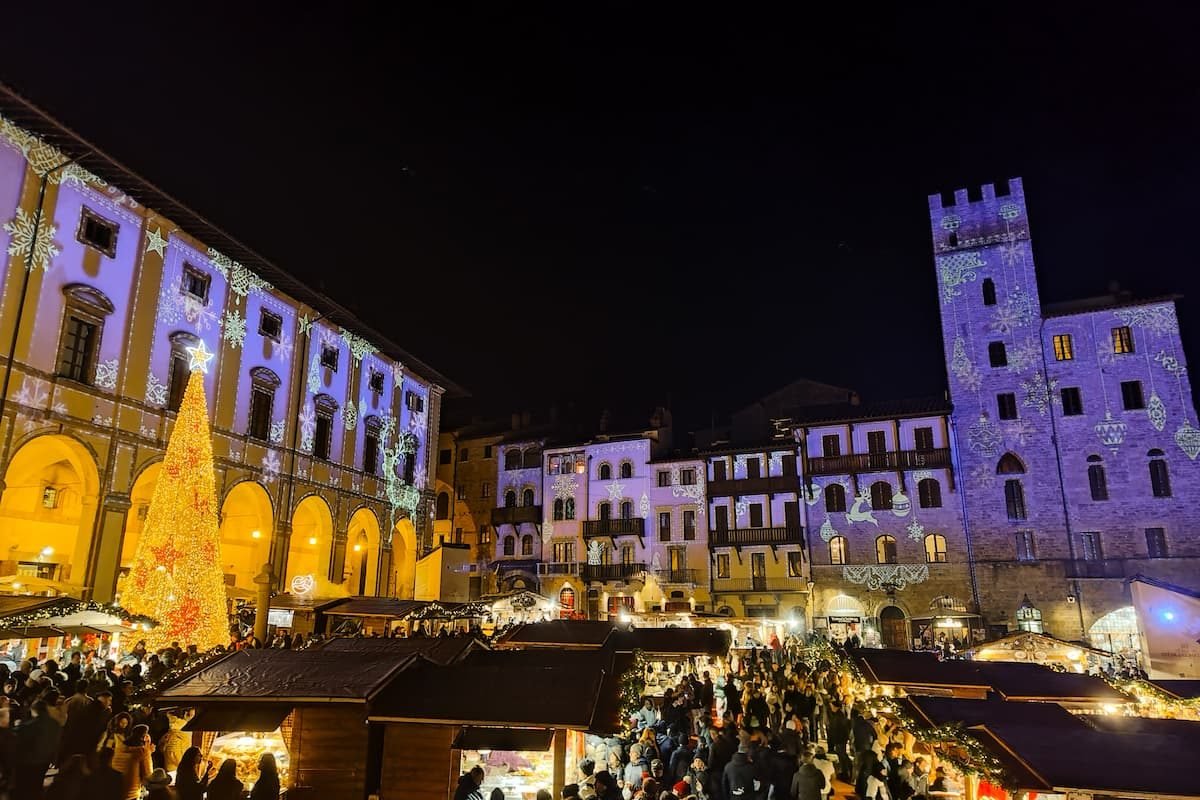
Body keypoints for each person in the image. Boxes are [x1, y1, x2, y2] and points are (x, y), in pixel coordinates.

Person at [14, 699, 61, 799]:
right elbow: (57, 742)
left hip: (30, 761)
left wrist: (18, 725)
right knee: (37, 784)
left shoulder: (31, 725)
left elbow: (20, 737)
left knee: (26, 787)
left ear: (34, 710)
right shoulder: (55, 724)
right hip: (45, 760)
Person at [112, 724, 154, 800]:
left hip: (115, 791)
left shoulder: (119, 748)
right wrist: (148, 751)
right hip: (131, 794)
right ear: (144, 738)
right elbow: (148, 776)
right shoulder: (142, 752)